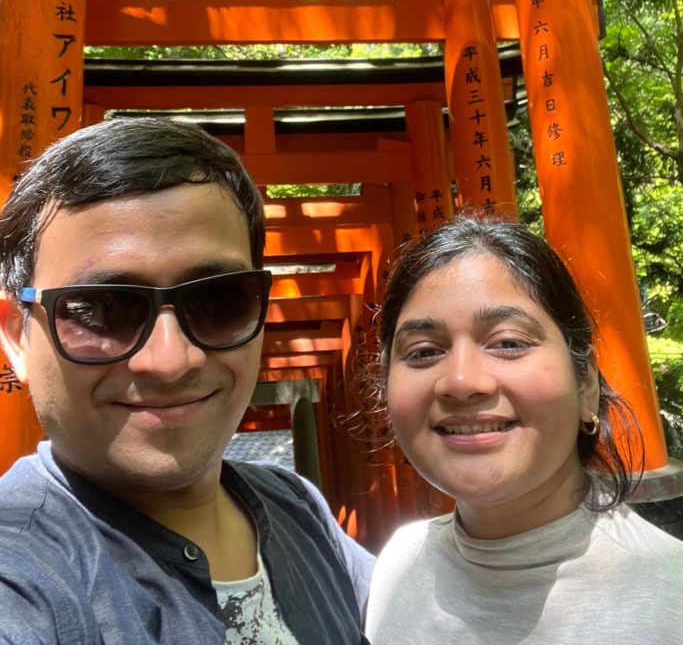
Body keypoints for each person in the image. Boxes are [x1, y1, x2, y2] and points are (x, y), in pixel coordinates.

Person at [0, 117, 373, 645]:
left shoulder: (295, 504)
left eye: (218, 300)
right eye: (102, 309)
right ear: (18, 335)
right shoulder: (19, 574)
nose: (171, 360)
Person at [365, 215, 683, 645]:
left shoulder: (670, 598)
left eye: (509, 342)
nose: (461, 382)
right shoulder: (396, 568)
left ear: (585, 382)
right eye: (423, 352)